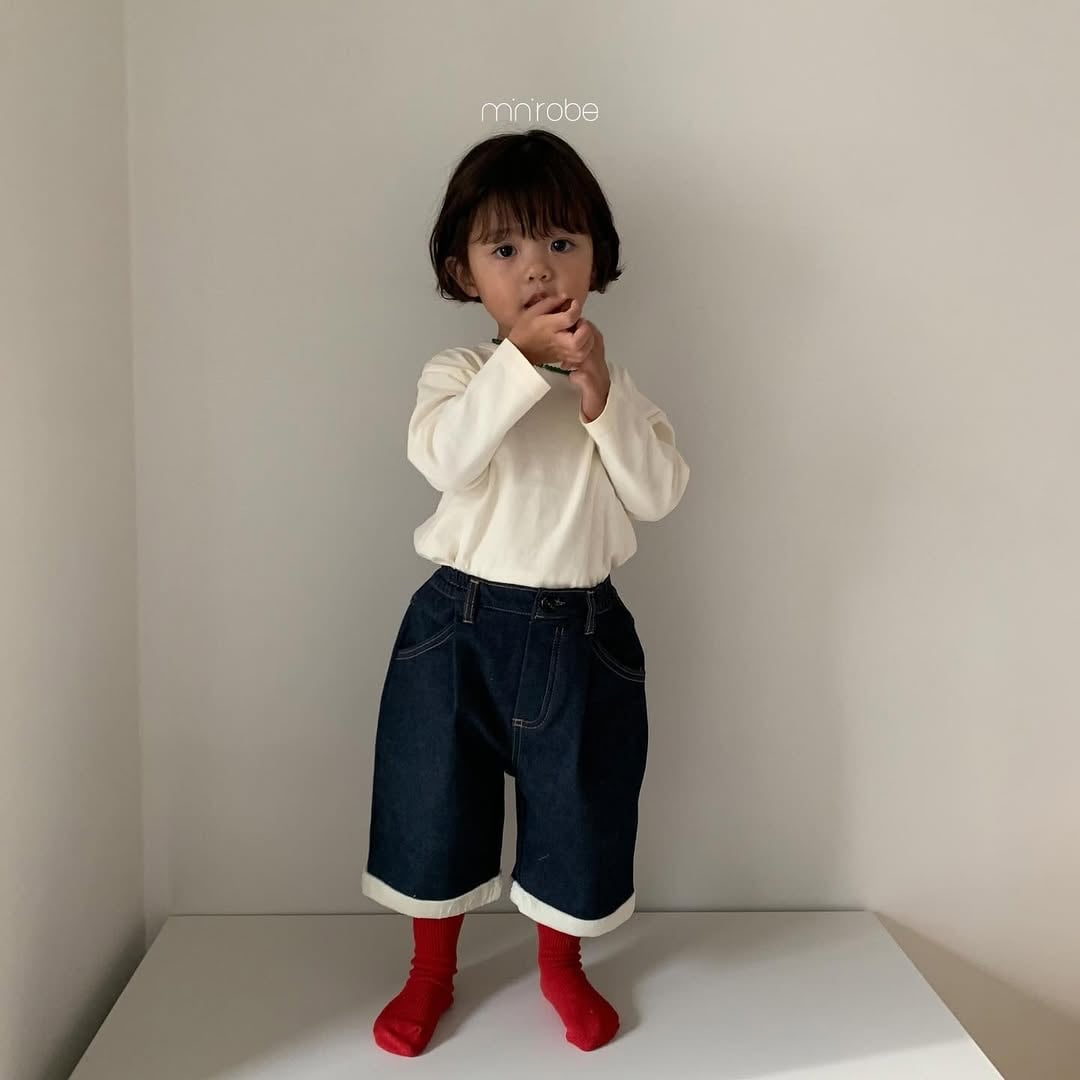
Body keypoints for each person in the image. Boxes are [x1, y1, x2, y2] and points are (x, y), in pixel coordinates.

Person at [361, 128, 690, 1056]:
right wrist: (517, 361)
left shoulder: (616, 389)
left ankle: (561, 966)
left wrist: (599, 392)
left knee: (578, 811)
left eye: (561, 242)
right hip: (458, 627)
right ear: (464, 273)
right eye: (504, 249)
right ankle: (430, 971)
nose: (538, 267)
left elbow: (659, 495)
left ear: (596, 259)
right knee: (434, 802)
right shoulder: (460, 376)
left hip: (580, 632)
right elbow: (446, 458)